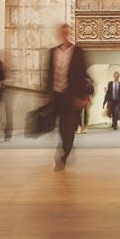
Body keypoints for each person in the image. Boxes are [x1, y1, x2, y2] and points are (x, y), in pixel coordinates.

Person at [46, 23, 90, 171]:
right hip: (57, 96)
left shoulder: (78, 52)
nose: (64, 35)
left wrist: (83, 96)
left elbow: (82, 75)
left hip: (71, 97)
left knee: (68, 128)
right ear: (59, 34)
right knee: (60, 128)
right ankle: (64, 148)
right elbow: (48, 75)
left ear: (69, 33)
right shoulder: (53, 52)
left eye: (67, 32)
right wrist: (46, 94)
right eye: (62, 32)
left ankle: (64, 155)